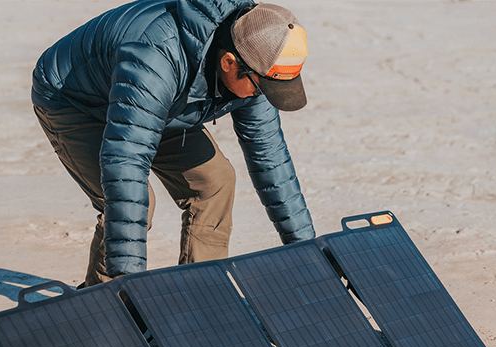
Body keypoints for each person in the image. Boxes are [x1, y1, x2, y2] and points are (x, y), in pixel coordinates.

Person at [32, 0, 315, 287]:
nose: (263, 95)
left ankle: (201, 296)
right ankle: (103, 301)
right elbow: (126, 162)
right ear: (229, 62)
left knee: (215, 183)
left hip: (157, 104)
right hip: (75, 100)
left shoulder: (257, 62)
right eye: (262, 87)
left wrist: (307, 250)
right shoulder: (156, 56)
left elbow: (270, 157)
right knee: (130, 202)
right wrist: (127, 277)